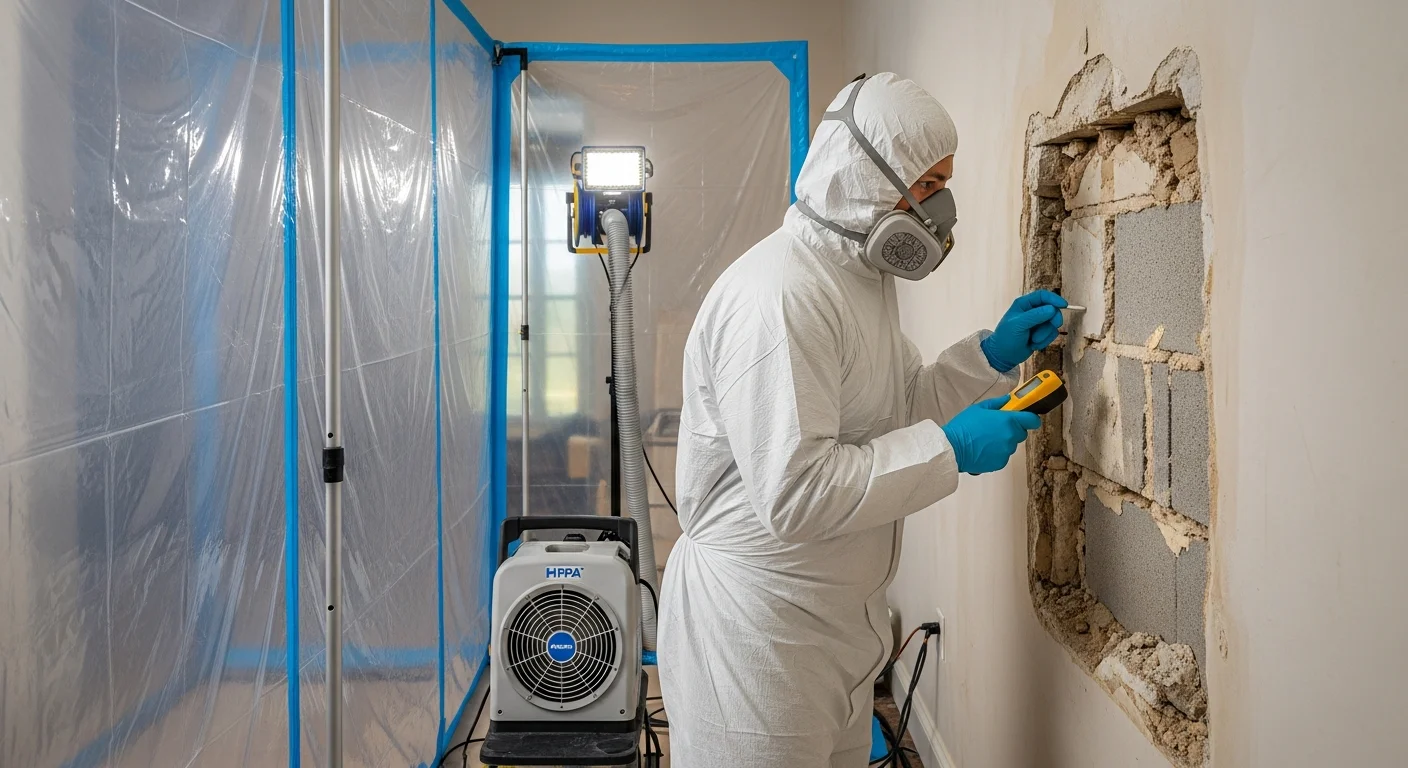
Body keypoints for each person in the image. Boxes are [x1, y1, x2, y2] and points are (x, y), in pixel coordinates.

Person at [656, 73, 1067, 767]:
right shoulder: (783, 297)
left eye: (944, 183)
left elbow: (895, 404)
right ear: (870, 180)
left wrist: (989, 355)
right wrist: (950, 452)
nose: (942, 208)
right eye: (929, 184)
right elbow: (797, 493)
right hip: (760, 638)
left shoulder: (855, 277)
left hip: (834, 631)